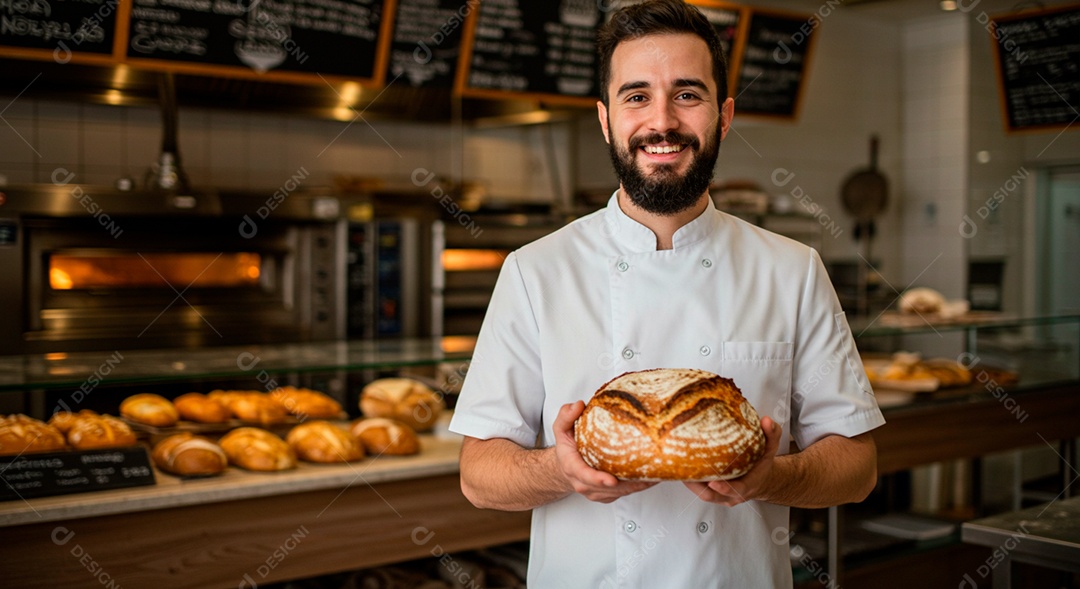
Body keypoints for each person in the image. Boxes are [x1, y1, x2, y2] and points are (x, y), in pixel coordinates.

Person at [448, 0, 885, 586]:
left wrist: (771, 478)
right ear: (606, 120)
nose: (662, 122)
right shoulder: (535, 271)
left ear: (723, 115)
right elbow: (478, 475)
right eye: (636, 97)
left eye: (687, 94)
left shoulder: (793, 270)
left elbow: (857, 467)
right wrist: (563, 469)